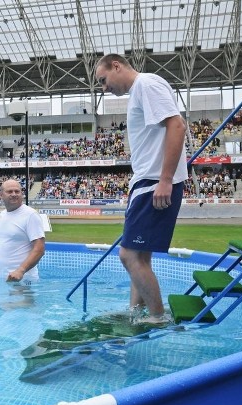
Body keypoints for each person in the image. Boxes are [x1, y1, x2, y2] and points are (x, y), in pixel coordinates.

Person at [95, 54, 188, 325]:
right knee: (140, 255)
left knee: (129, 255)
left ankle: (158, 317)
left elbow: (177, 125)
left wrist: (165, 180)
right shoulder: (141, 90)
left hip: (154, 181)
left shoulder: (146, 84)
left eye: (103, 80)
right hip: (147, 181)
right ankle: (137, 312)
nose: (104, 88)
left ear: (116, 66)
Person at [0, 179, 45, 285]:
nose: (14, 194)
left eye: (17, 191)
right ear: (1, 195)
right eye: (10, 191)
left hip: (22, 280)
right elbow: (1, 246)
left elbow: (39, 249)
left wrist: (21, 270)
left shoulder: (30, 215)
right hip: (2, 279)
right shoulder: (2, 215)